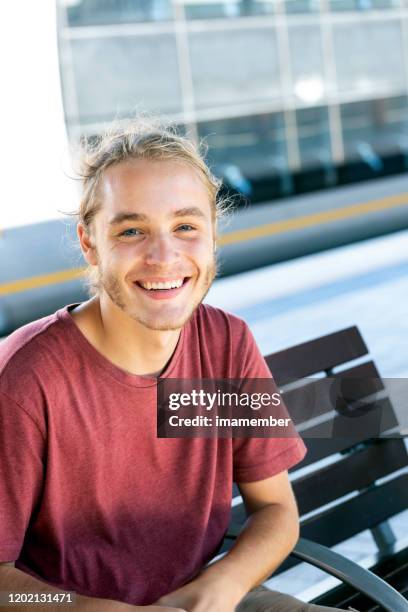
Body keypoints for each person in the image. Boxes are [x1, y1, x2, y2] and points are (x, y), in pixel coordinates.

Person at [0, 120, 348, 611]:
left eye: (185, 227)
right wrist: (88, 609)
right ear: (89, 243)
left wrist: (222, 586)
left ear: (212, 236)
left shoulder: (227, 342)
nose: (164, 256)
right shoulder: (24, 379)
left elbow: (275, 509)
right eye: (132, 230)